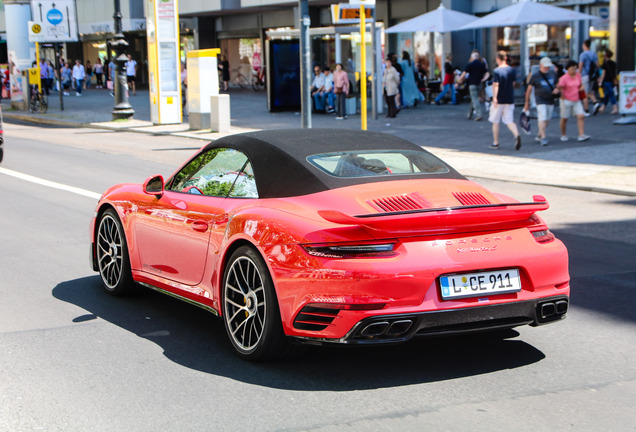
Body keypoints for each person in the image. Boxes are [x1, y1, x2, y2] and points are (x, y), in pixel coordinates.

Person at [523, 57, 560, 146]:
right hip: (540, 99)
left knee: (547, 118)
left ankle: (540, 133)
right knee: (542, 116)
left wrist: (557, 89)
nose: (547, 68)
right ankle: (543, 136)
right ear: (541, 66)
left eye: (548, 66)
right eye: (545, 66)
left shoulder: (552, 73)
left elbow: (557, 84)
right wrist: (527, 102)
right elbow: (529, 89)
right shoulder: (535, 76)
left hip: (550, 99)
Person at [489, 51, 521, 150]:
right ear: (506, 58)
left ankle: (496, 143)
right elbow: (514, 83)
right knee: (509, 120)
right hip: (509, 98)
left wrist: (494, 97)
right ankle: (516, 135)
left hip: (500, 99)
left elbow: (496, 85)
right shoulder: (511, 70)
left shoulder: (497, 71)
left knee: (496, 121)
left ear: (498, 58)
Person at [557, 59, 590, 142]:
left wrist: (581, 88)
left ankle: (581, 134)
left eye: (575, 68)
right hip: (566, 99)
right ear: (568, 69)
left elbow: (580, 84)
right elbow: (561, 88)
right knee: (564, 118)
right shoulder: (564, 78)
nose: (574, 70)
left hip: (576, 99)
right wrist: (563, 98)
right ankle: (563, 134)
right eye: (572, 68)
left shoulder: (578, 75)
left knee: (581, 116)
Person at [457, 51, 489, 121]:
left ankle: (479, 114)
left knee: (474, 99)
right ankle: (470, 114)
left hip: (472, 84)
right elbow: (487, 73)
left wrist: (459, 81)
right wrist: (484, 79)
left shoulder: (470, 65)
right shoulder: (482, 65)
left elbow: (464, 74)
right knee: (474, 99)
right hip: (479, 84)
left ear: (472, 57)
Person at [578, 39, 600, 115]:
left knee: (584, 93)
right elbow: (597, 65)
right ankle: (595, 103)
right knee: (589, 91)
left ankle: (586, 110)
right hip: (592, 76)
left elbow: (580, 66)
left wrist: (578, 75)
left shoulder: (583, 55)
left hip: (584, 75)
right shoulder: (594, 54)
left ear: (584, 45)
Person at [597, 49, 618, 115]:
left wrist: (600, 81)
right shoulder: (613, 63)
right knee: (607, 94)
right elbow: (614, 72)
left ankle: (615, 108)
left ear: (605, 55)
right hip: (612, 80)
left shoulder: (605, 64)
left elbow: (603, 73)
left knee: (611, 94)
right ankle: (603, 107)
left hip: (606, 81)